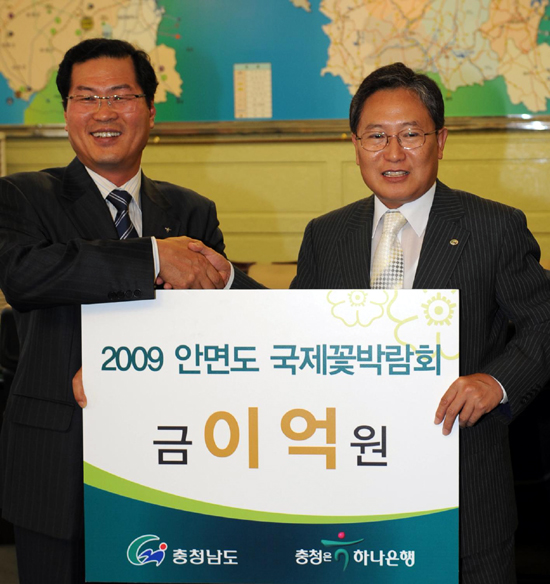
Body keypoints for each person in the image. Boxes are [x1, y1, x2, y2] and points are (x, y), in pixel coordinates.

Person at [0, 38, 259, 584]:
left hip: (173, 458)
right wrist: (153, 257)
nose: (104, 112)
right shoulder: (23, 196)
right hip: (58, 464)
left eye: (121, 96)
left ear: (150, 110)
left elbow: (215, 323)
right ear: (67, 111)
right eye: (86, 97)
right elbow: (25, 276)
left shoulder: (191, 211)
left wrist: (125, 364)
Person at [290, 62, 550, 583]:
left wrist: (496, 382)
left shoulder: (494, 227)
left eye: (411, 134)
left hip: (464, 496)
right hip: (351, 493)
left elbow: (543, 321)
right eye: (376, 136)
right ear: (355, 145)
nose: (393, 153)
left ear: (441, 140)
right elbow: (295, 337)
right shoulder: (326, 234)